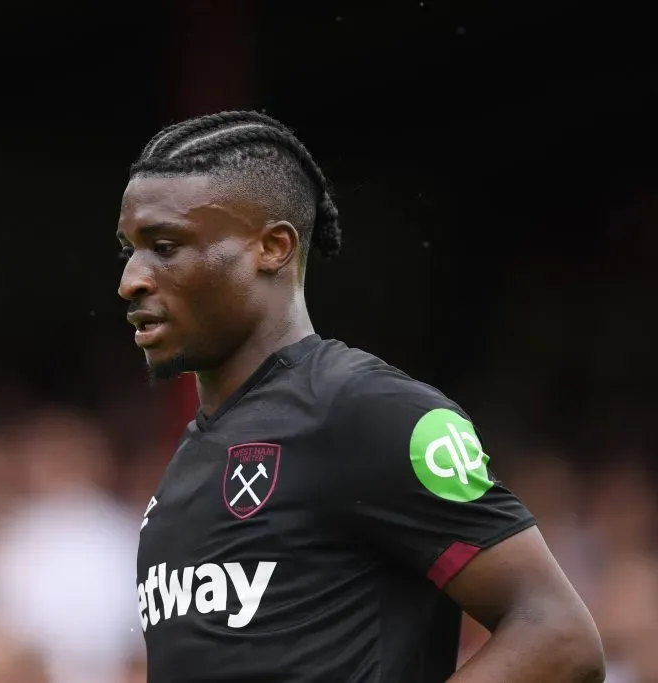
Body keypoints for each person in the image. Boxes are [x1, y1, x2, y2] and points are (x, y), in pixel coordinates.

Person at [116, 110, 604, 683]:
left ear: (271, 247)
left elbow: (557, 634)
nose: (131, 279)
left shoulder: (364, 411)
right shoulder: (191, 460)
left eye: (165, 246)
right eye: (129, 249)